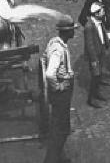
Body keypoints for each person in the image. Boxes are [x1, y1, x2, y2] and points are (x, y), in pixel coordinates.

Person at [43, 15, 79, 163]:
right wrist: (58, 86)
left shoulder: (56, 42)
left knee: (61, 127)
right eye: (73, 30)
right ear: (67, 31)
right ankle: (52, 159)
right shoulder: (58, 50)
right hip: (61, 94)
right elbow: (50, 73)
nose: (74, 32)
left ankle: (58, 156)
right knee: (60, 129)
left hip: (63, 92)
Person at [84, 2, 109, 108]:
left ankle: (97, 93)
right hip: (95, 55)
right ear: (96, 13)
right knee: (95, 76)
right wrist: (94, 60)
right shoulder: (89, 26)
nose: (104, 13)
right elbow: (90, 45)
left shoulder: (99, 22)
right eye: (102, 11)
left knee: (99, 75)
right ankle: (91, 99)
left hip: (101, 51)